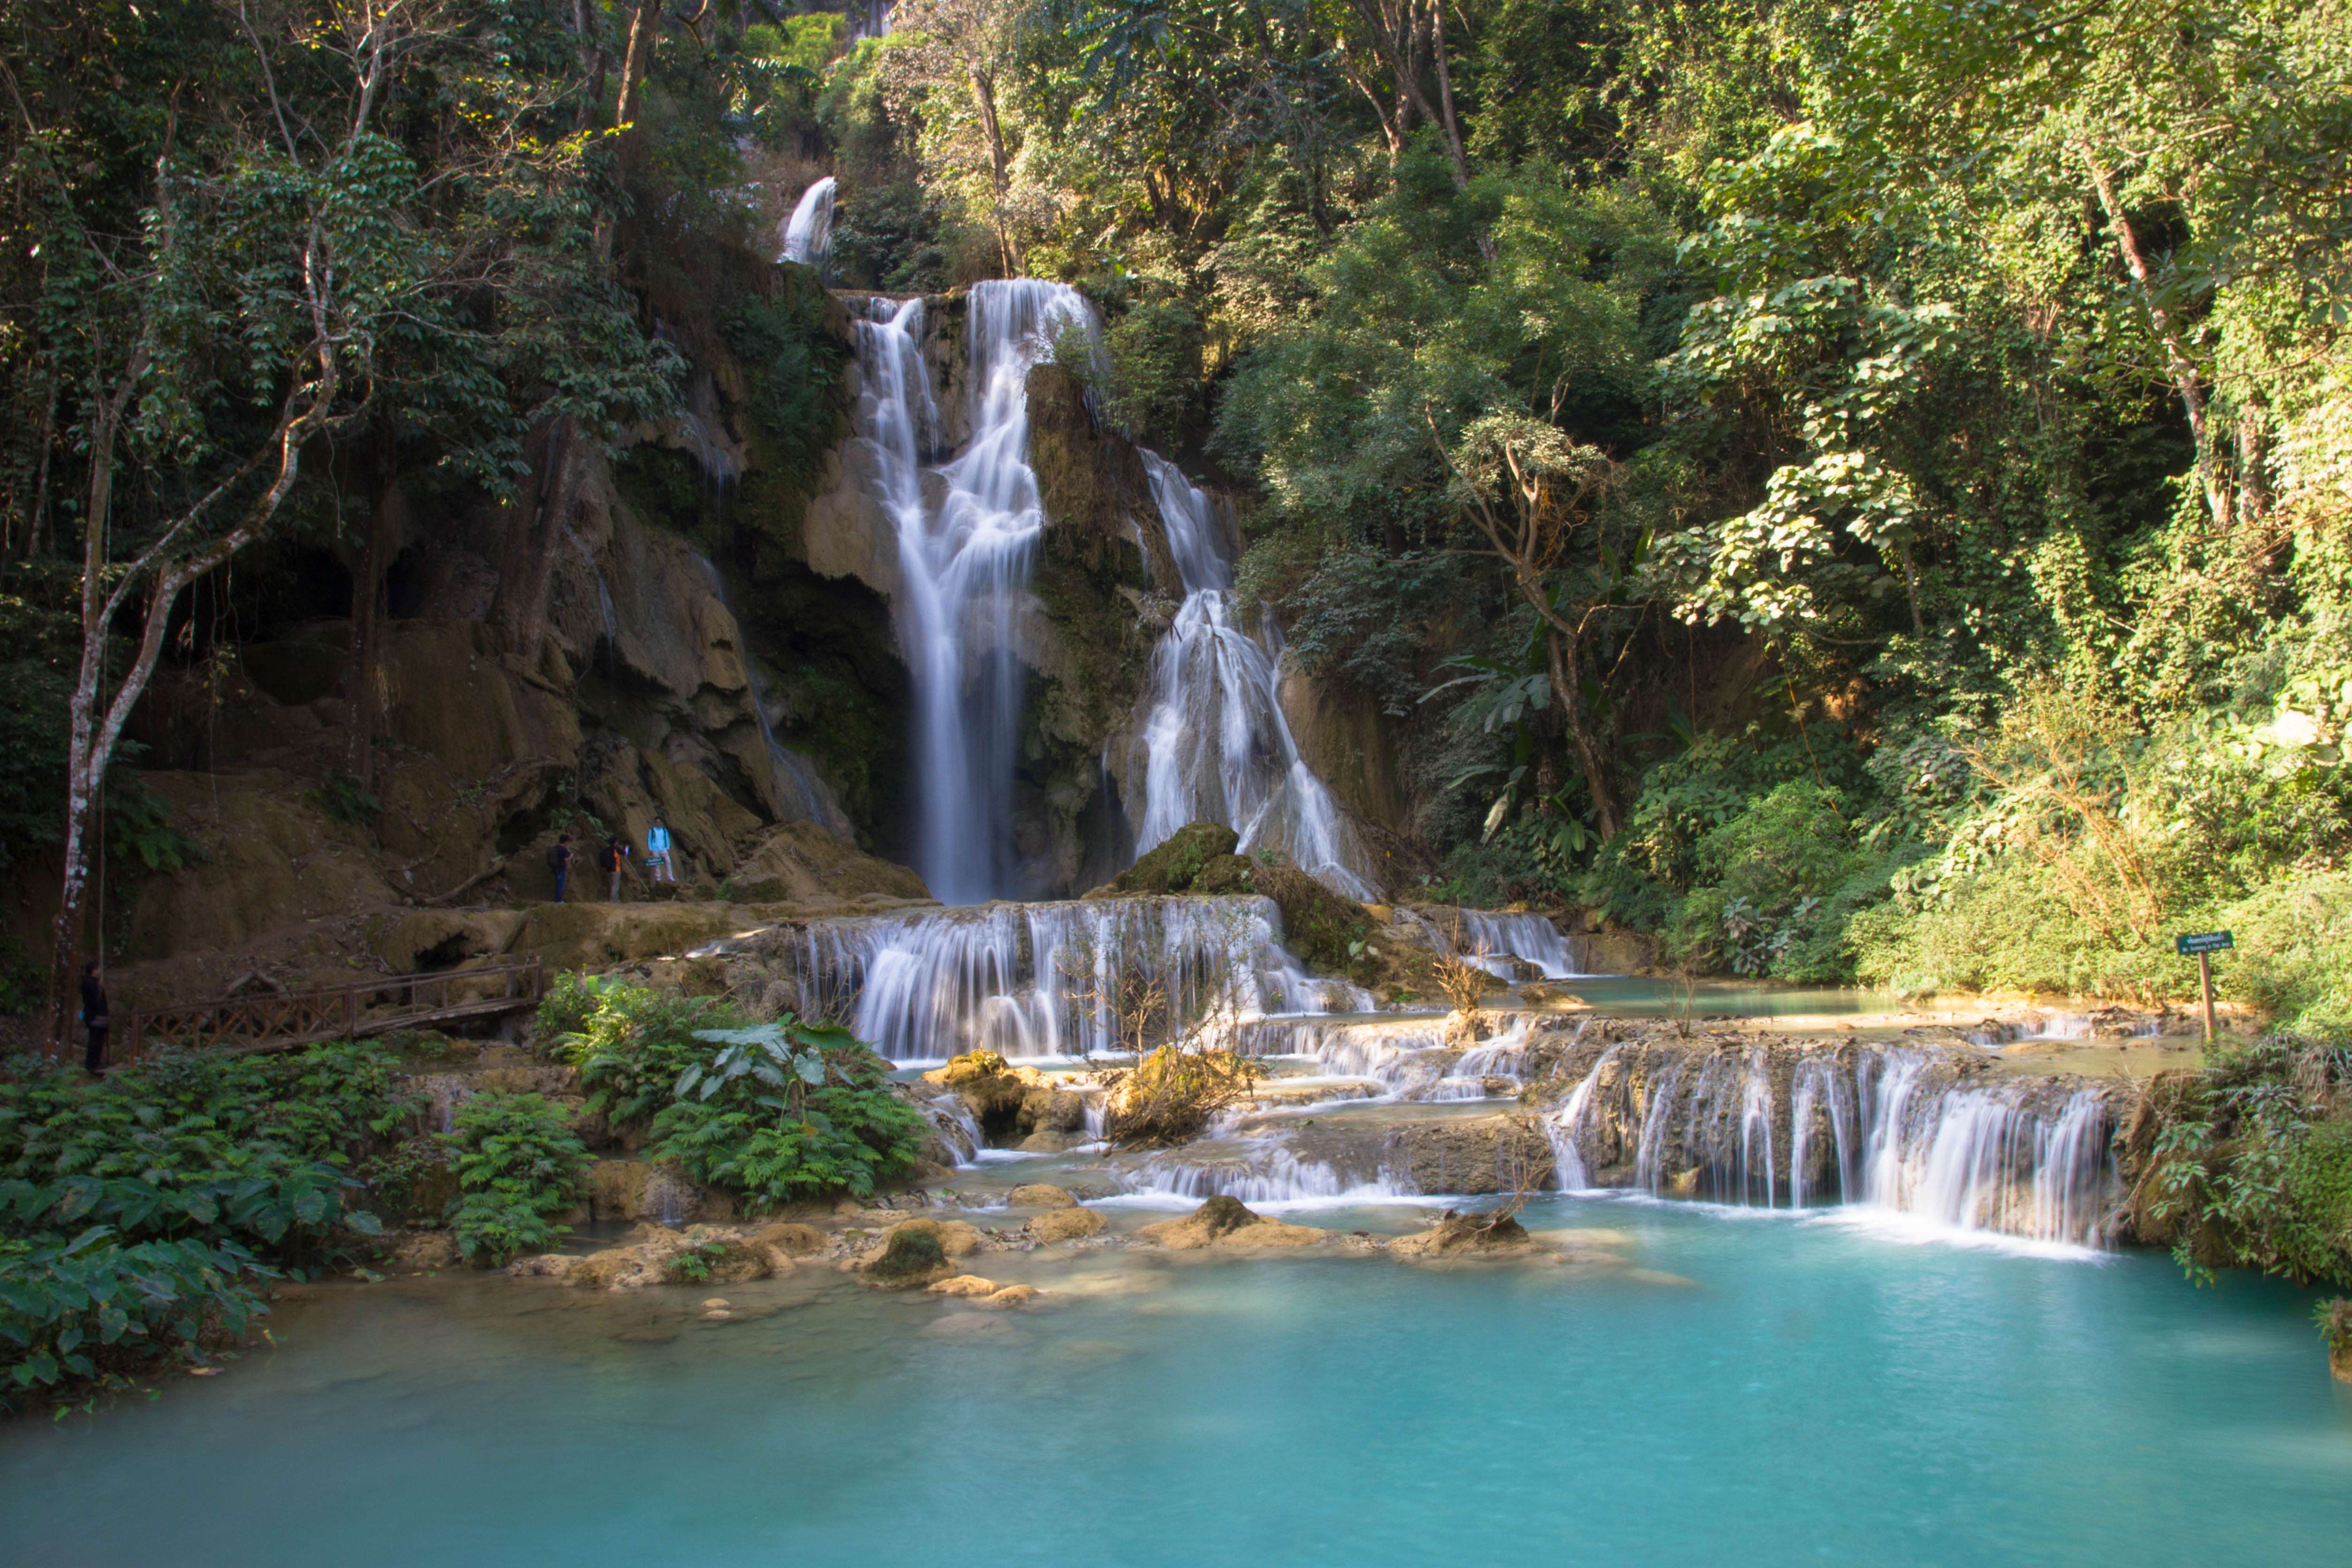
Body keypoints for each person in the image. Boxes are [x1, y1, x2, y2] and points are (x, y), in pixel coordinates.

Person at [79, 960, 108, 1076]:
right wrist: (98, 1013)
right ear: (94, 971)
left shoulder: (90, 983)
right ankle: (92, 1064)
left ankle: (94, 1062)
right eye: (98, 969)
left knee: (97, 1040)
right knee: (96, 1040)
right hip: (95, 1016)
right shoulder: (92, 984)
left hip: (93, 1015)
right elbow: (94, 1001)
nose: (100, 971)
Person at [646, 817, 675, 884]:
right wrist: (651, 849)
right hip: (655, 849)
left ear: (661, 823)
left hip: (663, 848)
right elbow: (649, 840)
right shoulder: (652, 830)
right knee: (657, 864)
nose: (658, 823)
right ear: (655, 823)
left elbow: (667, 839)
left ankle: (670, 876)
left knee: (668, 861)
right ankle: (658, 878)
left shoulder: (664, 831)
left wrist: (668, 847)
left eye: (659, 822)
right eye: (657, 822)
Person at [601, 835, 630, 901]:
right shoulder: (617, 849)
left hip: (608, 869)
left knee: (612, 885)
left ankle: (616, 899)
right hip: (616, 869)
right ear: (616, 842)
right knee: (615, 885)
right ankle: (613, 900)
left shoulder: (607, 849)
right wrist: (627, 848)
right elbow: (625, 853)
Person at [548, 833, 573, 903]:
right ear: (566, 841)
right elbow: (566, 860)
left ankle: (558, 899)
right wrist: (571, 856)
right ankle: (559, 900)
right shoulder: (563, 849)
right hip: (562, 868)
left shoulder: (556, 847)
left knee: (558, 883)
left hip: (555, 867)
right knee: (561, 884)